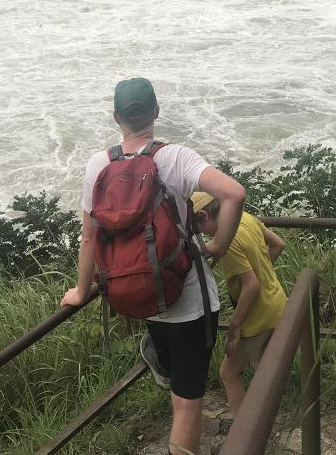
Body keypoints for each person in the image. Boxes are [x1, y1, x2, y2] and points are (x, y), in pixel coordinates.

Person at [61, 77, 245, 455]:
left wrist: (81, 291)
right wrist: (218, 246)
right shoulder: (175, 157)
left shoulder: (98, 165)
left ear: (116, 118)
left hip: (137, 295)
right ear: (156, 112)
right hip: (186, 297)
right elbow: (234, 193)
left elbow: (90, 238)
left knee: (171, 368)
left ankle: (159, 359)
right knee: (187, 401)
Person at [191, 190, 287, 416]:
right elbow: (278, 245)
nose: (201, 235)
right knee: (261, 365)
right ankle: (262, 422)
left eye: (198, 228)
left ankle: (242, 434)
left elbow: (250, 286)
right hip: (277, 303)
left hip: (258, 317)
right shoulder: (245, 218)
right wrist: (261, 271)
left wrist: (235, 325)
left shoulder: (228, 242)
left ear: (204, 216)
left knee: (228, 373)